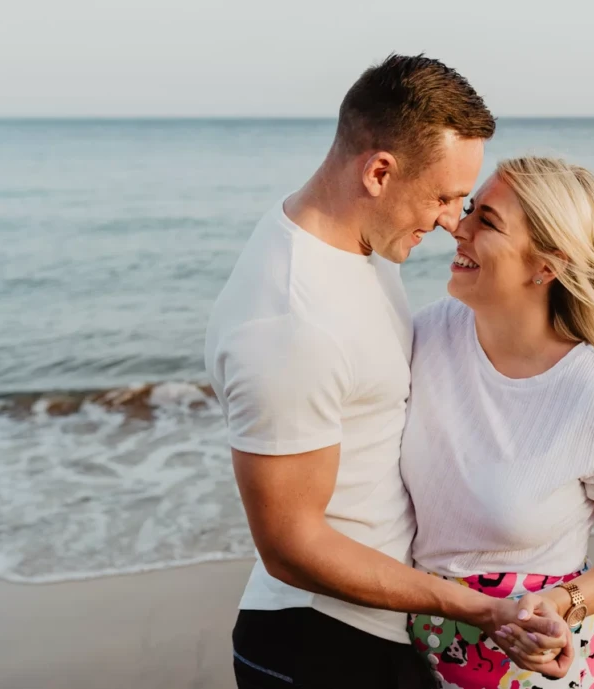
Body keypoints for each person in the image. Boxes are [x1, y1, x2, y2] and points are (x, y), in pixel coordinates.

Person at [205, 56, 568, 689]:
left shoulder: (356, 246)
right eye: (444, 197)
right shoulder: (292, 325)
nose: (453, 219)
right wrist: (475, 607)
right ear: (378, 171)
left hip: (380, 625)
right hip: (318, 643)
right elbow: (290, 547)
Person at [401, 157, 594, 688]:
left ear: (546, 266)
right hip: (415, 646)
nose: (458, 226)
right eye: (470, 208)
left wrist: (563, 603)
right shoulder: (426, 336)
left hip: (537, 658)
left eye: (488, 221)